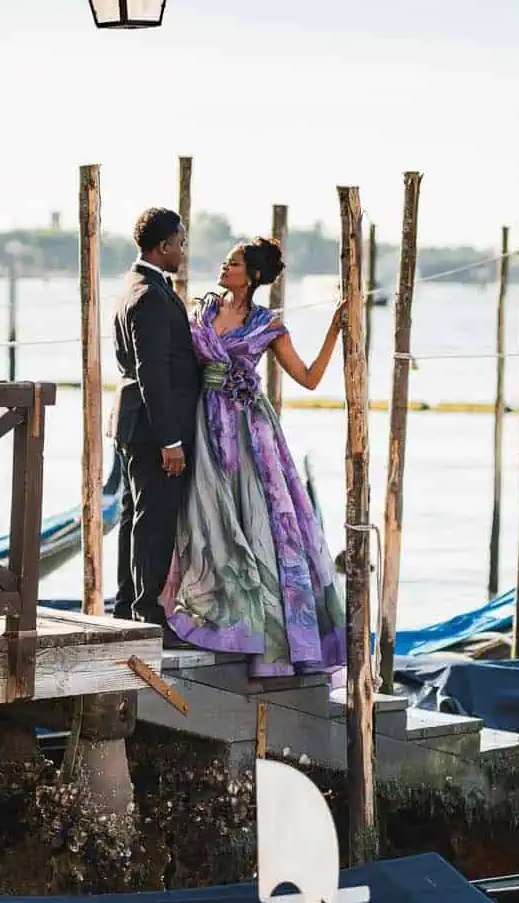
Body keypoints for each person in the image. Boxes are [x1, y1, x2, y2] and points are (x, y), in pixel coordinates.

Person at [159, 237, 348, 677]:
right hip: (203, 423)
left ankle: (265, 631)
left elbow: (309, 378)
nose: (225, 266)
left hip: (250, 431)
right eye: (226, 260)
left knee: (259, 522)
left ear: (255, 275)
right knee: (204, 515)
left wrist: (334, 330)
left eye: (235, 262)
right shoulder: (200, 310)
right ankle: (209, 611)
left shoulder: (269, 325)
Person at [112, 207, 200, 628]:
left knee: (136, 517)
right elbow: (153, 371)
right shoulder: (149, 295)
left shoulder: (134, 285)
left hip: (133, 422)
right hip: (152, 428)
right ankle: (147, 613)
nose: (182, 252)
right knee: (154, 521)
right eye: (180, 244)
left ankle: (127, 604)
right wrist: (171, 440)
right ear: (163, 246)